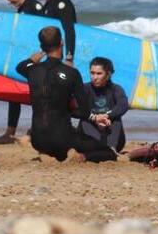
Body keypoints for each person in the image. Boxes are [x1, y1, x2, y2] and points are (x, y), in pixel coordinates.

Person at [16, 26, 117, 163]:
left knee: (58, 141)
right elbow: (84, 111)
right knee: (109, 152)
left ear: (42, 47)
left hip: (37, 140)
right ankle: (81, 157)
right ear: (61, 42)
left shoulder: (32, 71)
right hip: (62, 139)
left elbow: (20, 67)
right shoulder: (72, 73)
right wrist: (90, 116)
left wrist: (33, 59)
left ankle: (48, 154)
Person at [0, 0, 43, 145]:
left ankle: (34, 131)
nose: (9, 1)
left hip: (36, 59)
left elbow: (44, 31)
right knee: (14, 94)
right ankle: (10, 132)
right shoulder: (22, 10)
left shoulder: (34, 8)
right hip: (24, 58)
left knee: (37, 95)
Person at [79, 57, 129, 152]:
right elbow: (75, 109)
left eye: (99, 73)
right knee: (85, 119)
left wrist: (107, 116)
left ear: (108, 74)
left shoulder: (116, 89)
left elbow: (123, 105)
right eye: (92, 73)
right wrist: (94, 118)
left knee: (116, 118)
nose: (94, 77)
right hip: (89, 136)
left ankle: (111, 149)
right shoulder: (85, 89)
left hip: (112, 136)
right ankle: (97, 146)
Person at [31, 0, 77, 65]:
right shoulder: (49, 4)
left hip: (61, 56)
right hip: (52, 56)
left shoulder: (61, 3)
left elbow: (69, 31)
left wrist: (69, 58)